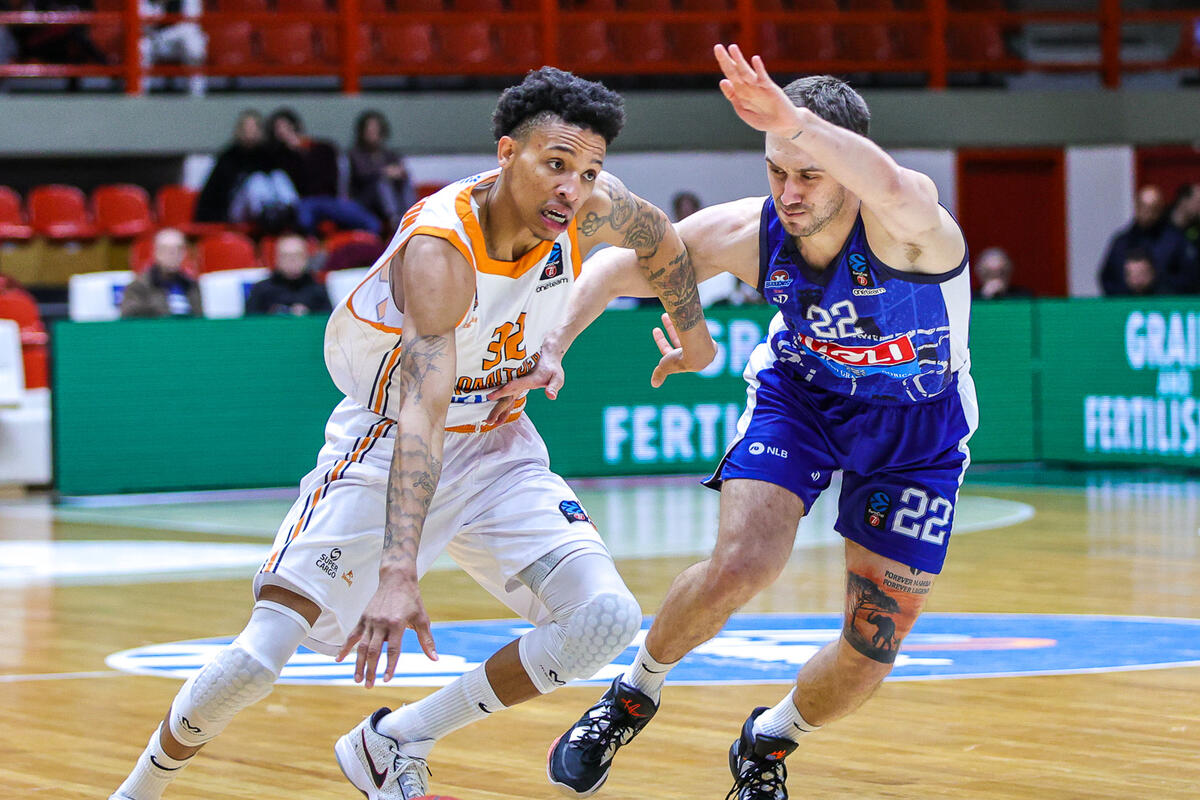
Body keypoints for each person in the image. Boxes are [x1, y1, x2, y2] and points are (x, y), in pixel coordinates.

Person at [108, 66, 715, 800]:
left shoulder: (591, 206)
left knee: (604, 618)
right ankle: (139, 789)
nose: (572, 187)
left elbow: (660, 240)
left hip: (497, 444)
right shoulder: (441, 250)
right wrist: (400, 572)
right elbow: (423, 412)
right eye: (556, 164)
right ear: (507, 152)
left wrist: (695, 342)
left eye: (587, 171)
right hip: (390, 440)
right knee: (259, 658)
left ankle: (395, 739)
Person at [503, 45, 976, 800]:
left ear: (848, 166)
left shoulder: (914, 226)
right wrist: (553, 346)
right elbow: (618, 267)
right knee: (743, 563)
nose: (788, 191)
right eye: (776, 170)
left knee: (871, 647)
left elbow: (891, 181)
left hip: (918, 430)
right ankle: (631, 695)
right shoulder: (752, 233)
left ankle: (769, 740)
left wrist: (794, 121)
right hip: (802, 397)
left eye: (809, 173)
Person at [267, 107, 382, 236]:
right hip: (304, 201)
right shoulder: (280, 157)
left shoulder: (323, 148)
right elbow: (295, 186)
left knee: (372, 223)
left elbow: (334, 176)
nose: (282, 131)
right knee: (304, 221)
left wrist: (301, 148)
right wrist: (292, 152)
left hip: (330, 199)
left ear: (294, 125)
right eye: (277, 128)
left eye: (284, 126)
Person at [1099, 184, 1197, 295]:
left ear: (1160, 209)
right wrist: (1127, 289)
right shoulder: (1121, 241)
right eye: (1143, 207)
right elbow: (1107, 278)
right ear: (1136, 207)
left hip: (1164, 302)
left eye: (1153, 208)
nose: (1148, 213)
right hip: (1126, 302)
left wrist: (1155, 281)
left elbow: (1189, 277)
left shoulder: (1176, 240)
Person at [194, 110, 279, 224]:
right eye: (246, 128)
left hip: (272, 204)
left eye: (254, 128)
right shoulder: (228, 157)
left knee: (278, 176)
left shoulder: (268, 156)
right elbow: (212, 194)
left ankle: (285, 213)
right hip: (235, 213)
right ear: (238, 131)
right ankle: (268, 216)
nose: (250, 133)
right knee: (256, 180)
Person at [348, 109, 417, 234]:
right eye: (369, 130)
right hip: (365, 199)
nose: (372, 133)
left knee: (405, 178)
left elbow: (400, 170)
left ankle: (412, 216)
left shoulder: (390, 154)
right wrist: (384, 172)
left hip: (391, 196)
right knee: (382, 181)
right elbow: (362, 175)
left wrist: (399, 172)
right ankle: (394, 220)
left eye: (376, 130)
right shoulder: (355, 154)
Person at [119, 228, 202, 318]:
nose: (173, 254)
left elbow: (199, 318)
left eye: (178, 249)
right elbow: (129, 319)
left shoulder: (192, 285)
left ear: (185, 253)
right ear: (155, 252)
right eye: (165, 249)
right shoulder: (138, 287)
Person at [245, 233, 331, 316]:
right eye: (286, 256)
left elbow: (328, 321)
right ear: (276, 259)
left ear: (306, 257)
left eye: (297, 255)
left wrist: (308, 316)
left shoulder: (319, 290)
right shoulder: (261, 290)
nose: (292, 260)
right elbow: (250, 321)